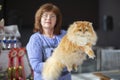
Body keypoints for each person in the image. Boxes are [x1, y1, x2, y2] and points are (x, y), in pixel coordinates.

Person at [26, 3, 72, 80]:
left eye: (52, 16)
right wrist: (60, 64)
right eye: (45, 15)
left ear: (57, 20)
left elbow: (72, 60)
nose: (48, 18)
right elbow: (36, 65)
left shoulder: (65, 35)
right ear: (39, 19)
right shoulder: (35, 39)